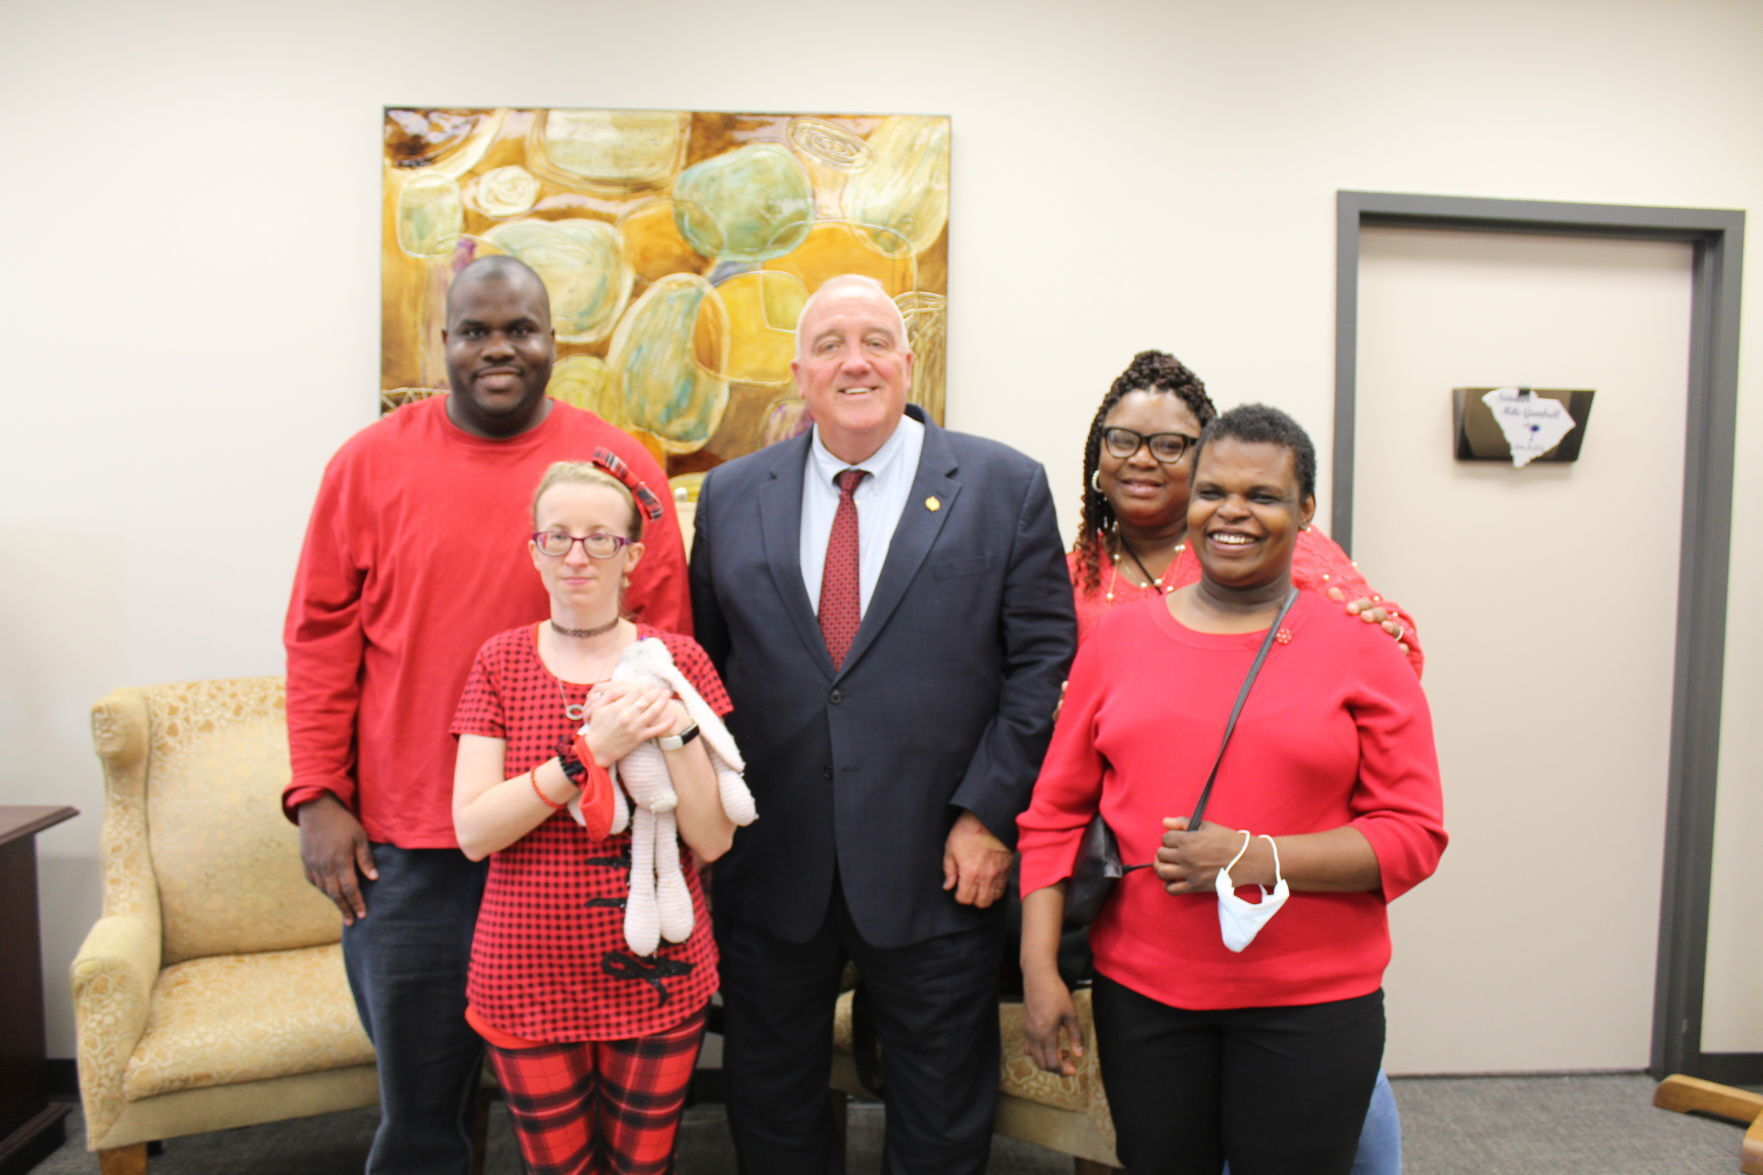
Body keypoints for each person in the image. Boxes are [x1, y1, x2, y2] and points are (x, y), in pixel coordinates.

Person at [282, 255, 691, 1174]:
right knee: (422, 1118)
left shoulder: (619, 466)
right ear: (445, 344)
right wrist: (317, 792)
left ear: (555, 341)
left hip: (582, 845)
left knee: (581, 1127)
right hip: (412, 850)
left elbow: (662, 649)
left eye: (519, 330)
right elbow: (317, 640)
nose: (497, 349)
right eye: (475, 331)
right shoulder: (367, 463)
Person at [689, 274, 1076, 1174]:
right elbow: (706, 671)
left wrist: (987, 814)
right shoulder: (732, 495)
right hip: (771, 863)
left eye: (874, 341)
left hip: (938, 863)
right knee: (773, 1117)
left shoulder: (1001, 485)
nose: (853, 360)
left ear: (908, 362)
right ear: (799, 371)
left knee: (940, 1122)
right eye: (829, 343)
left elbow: (1041, 666)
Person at [1018, 404, 1447, 1175]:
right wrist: (1039, 968)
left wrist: (1252, 858)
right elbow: (1053, 815)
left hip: (1310, 1003)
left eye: (1263, 495)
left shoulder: (1361, 651)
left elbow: (1412, 836)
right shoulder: (1115, 643)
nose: (1232, 513)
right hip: (1143, 997)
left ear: (1304, 512)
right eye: (1213, 490)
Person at [452, 463, 733, 1175]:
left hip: (657, 973)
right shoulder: (499, 661)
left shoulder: (679, 663)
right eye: (559, 537)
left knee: (643, 1167)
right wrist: (587, 755)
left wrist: (675, 736)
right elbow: (474, 831)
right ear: (534, 549)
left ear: (632, 555)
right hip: (525, 976)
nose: (577, 556)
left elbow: (713, 838)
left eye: (600, 539)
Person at [1071, 350, 1422, 676]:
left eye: (1168, 445)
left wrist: (1380, 638)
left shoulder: (1264, 541)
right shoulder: (1068, 572)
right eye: (1122, 440)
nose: (1141, 459)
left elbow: (1397, 650)